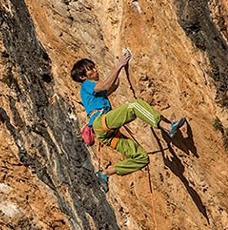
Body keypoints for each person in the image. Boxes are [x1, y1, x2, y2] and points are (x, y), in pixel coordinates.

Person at [71, 50, 185, 192]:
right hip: (101, 122)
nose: (95, 70)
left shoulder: (94, 92)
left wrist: (119, 68)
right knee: (134, 106)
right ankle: (167, 127)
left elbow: (113, 85)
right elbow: (105, 86)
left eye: (94, 67)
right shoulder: (87, 84)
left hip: (105, 134)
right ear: (82, 76)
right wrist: (119, 65)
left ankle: (105, 173)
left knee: (141, 158)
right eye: (90, 69)